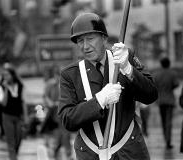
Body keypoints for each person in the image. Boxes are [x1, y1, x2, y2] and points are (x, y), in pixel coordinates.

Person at [58, 13, 158, 160]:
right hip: (91, 152)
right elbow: (68, 119)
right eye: (80, 41)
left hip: (129, 149)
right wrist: (99, 100)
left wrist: (128, 69)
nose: (85, 46)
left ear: (104, 38)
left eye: (90, 39)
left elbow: (151, 95)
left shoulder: (125, 57)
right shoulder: (70, 74)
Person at [40, 67, 72, 160]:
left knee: (65, 134)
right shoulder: (50, 84)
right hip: (54, 113)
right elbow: (45, 96)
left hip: (65, 113)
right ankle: (58, 151)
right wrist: (50, 103)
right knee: (59, 134)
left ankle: (66, 153)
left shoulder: (68, 84)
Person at [0, 63, 24, 160]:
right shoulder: (1, 87)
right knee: (11, 142)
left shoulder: (19, 86)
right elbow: (4, 103)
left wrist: (24, 117)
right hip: (7, 116)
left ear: (12, 75)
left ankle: (14, 156)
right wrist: (5, 88)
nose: (5, 77)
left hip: (18, 116)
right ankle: (13, 157)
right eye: (4, 75)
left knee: (18, 140)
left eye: (7, 75)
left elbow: (23, 101)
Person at [153, 56, 179, 149]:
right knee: (168, 121)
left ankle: (166, 138)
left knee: (163, 120)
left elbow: (154, 85)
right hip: (170, 99)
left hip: (160, 100)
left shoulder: (157, 74)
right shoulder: (173, 73)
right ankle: (168, 140)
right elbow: (176, 84)